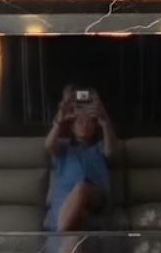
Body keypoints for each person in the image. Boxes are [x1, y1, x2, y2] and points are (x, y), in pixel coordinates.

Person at [44, 86, 117, 231]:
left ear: (95, 127)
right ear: (72, 128)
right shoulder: (64, 148)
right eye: (80, 122)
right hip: (66, 199)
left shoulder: (99, 147)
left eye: (89, 122)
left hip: (94, 195)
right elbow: (48, 145)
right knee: (79, 223)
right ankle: (68, 236)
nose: (85, 126)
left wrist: (105, 122)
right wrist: (59, 121)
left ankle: (61, 230)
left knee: (81, 188)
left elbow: (111, 152)